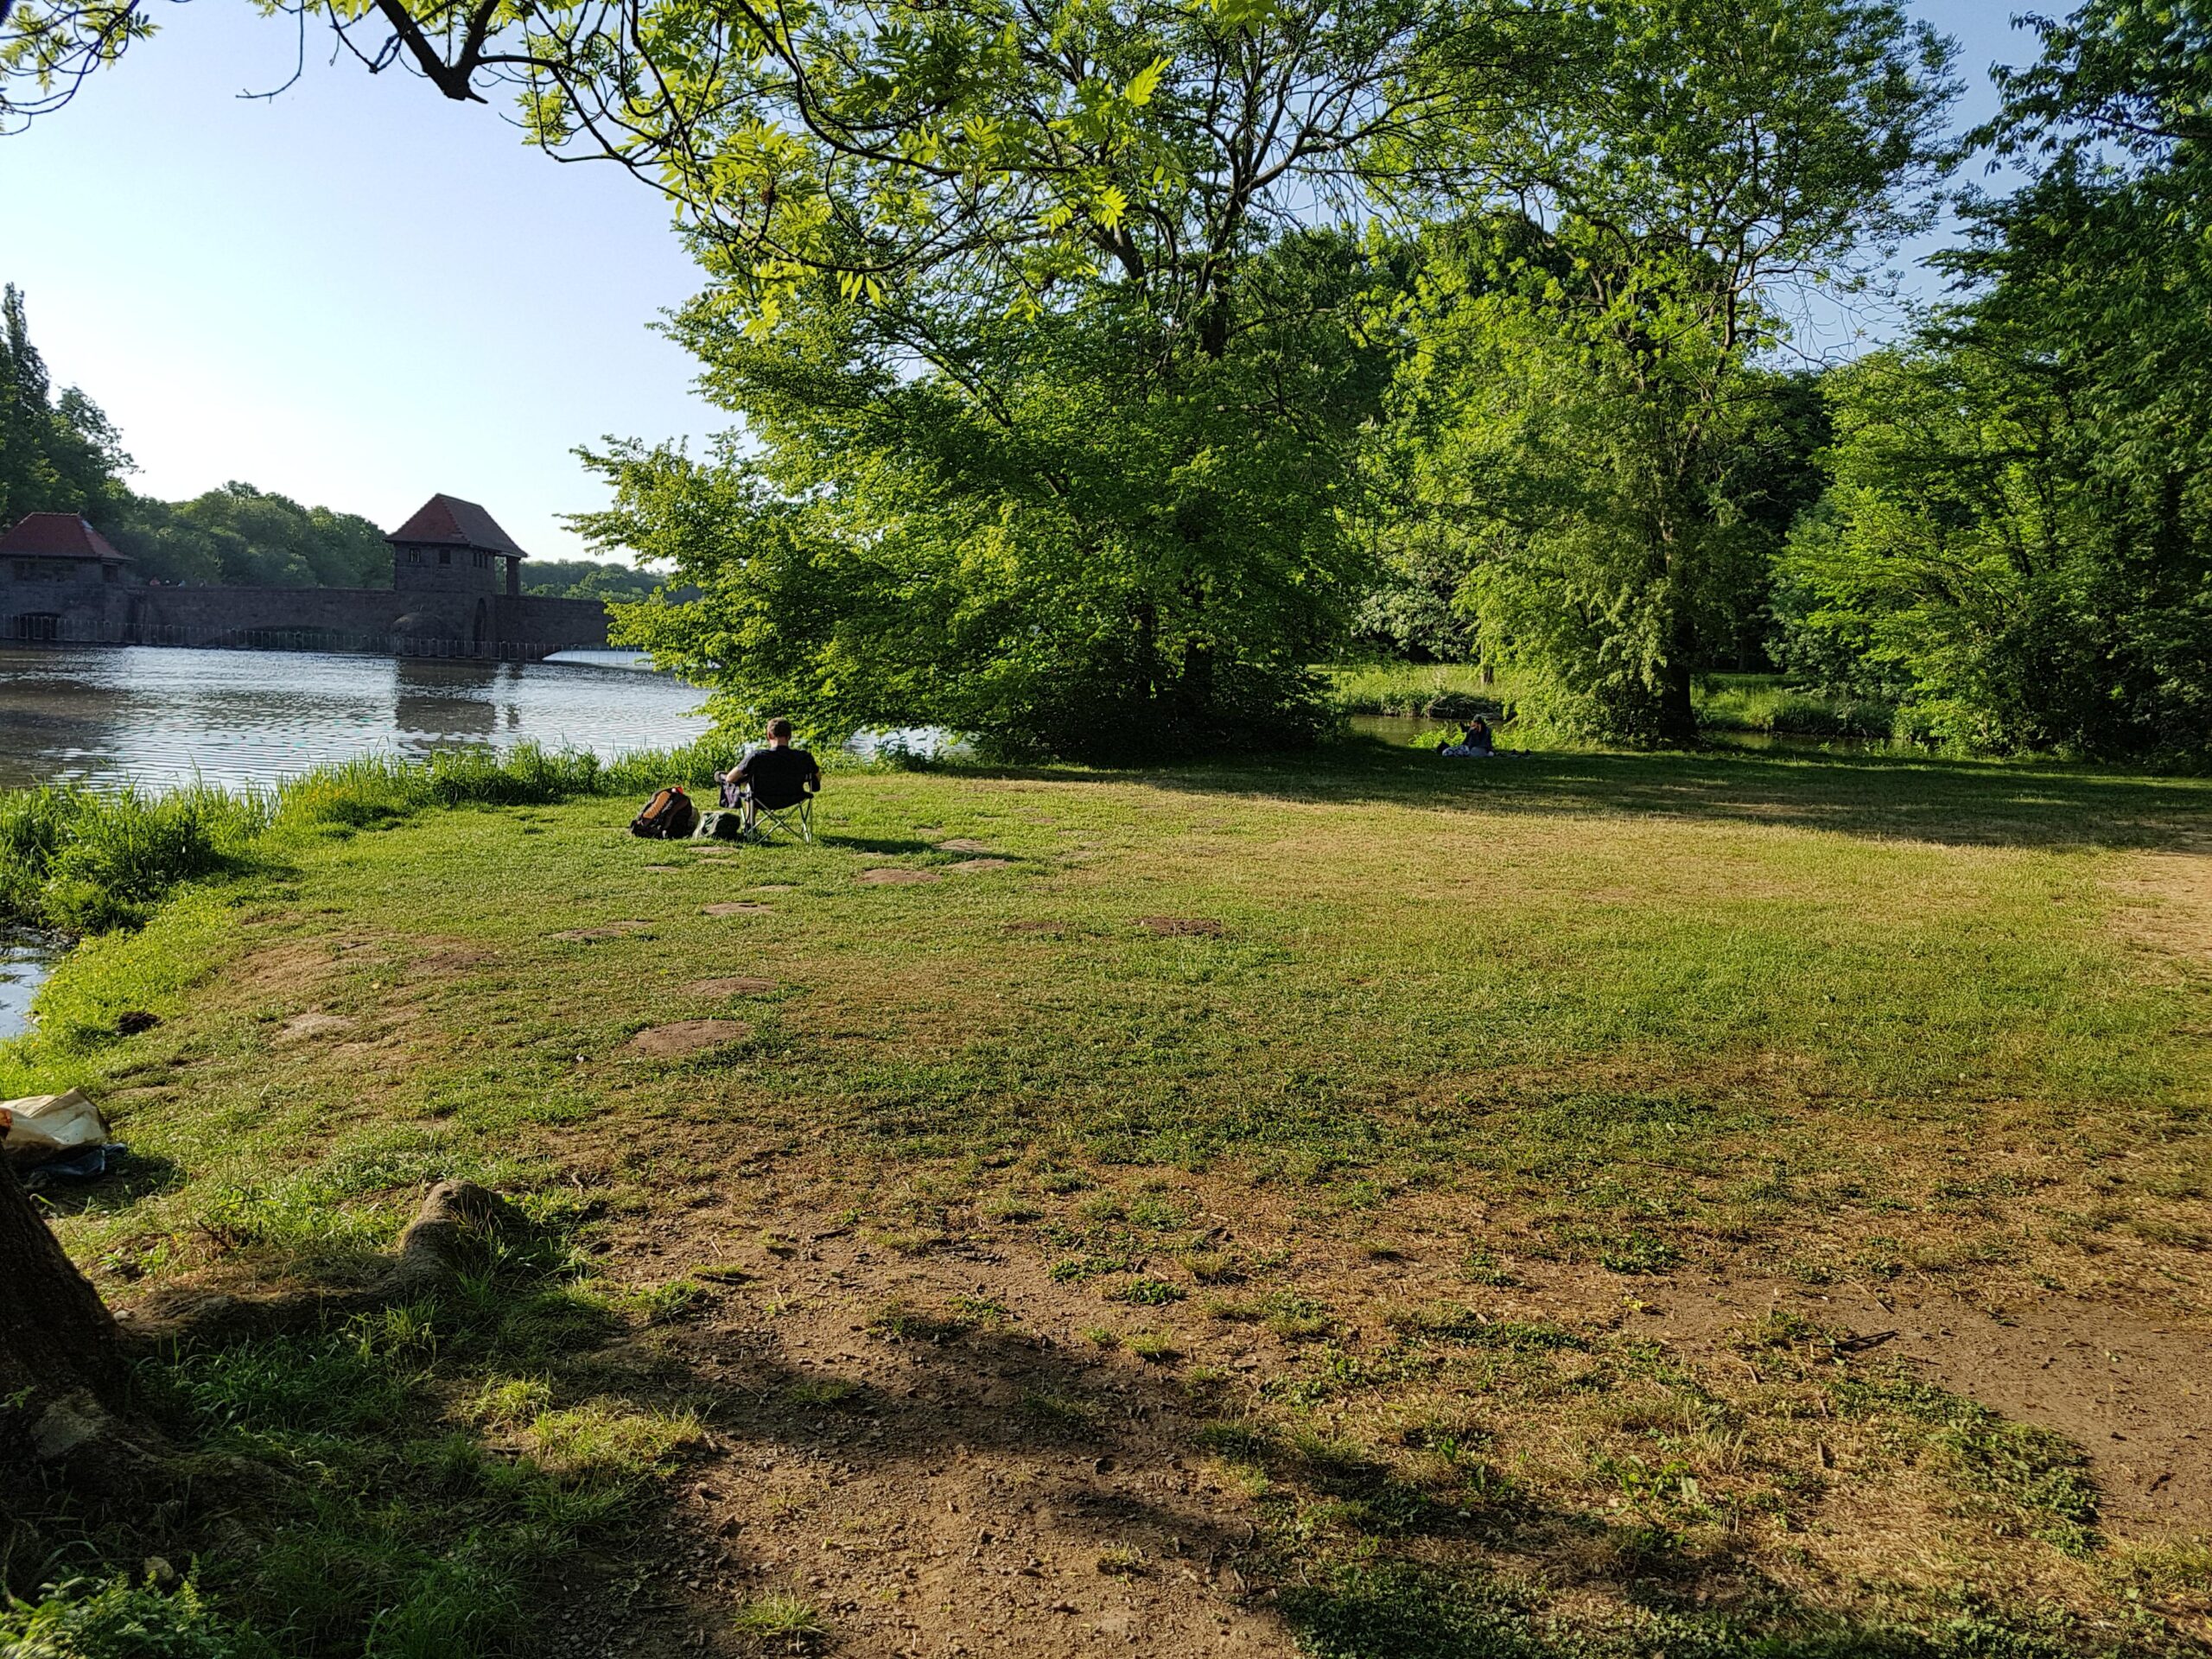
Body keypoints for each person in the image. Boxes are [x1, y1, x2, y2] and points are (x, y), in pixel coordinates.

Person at [719, 717, 822, 831]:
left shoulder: (757, 756)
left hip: (761, 798)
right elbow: (817, 778)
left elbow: (730, 778)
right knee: (753, 783)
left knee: (748, 784)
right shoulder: (804, 757)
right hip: (794, 797)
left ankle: (749, 825)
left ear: (769, 735)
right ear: (790, 736)